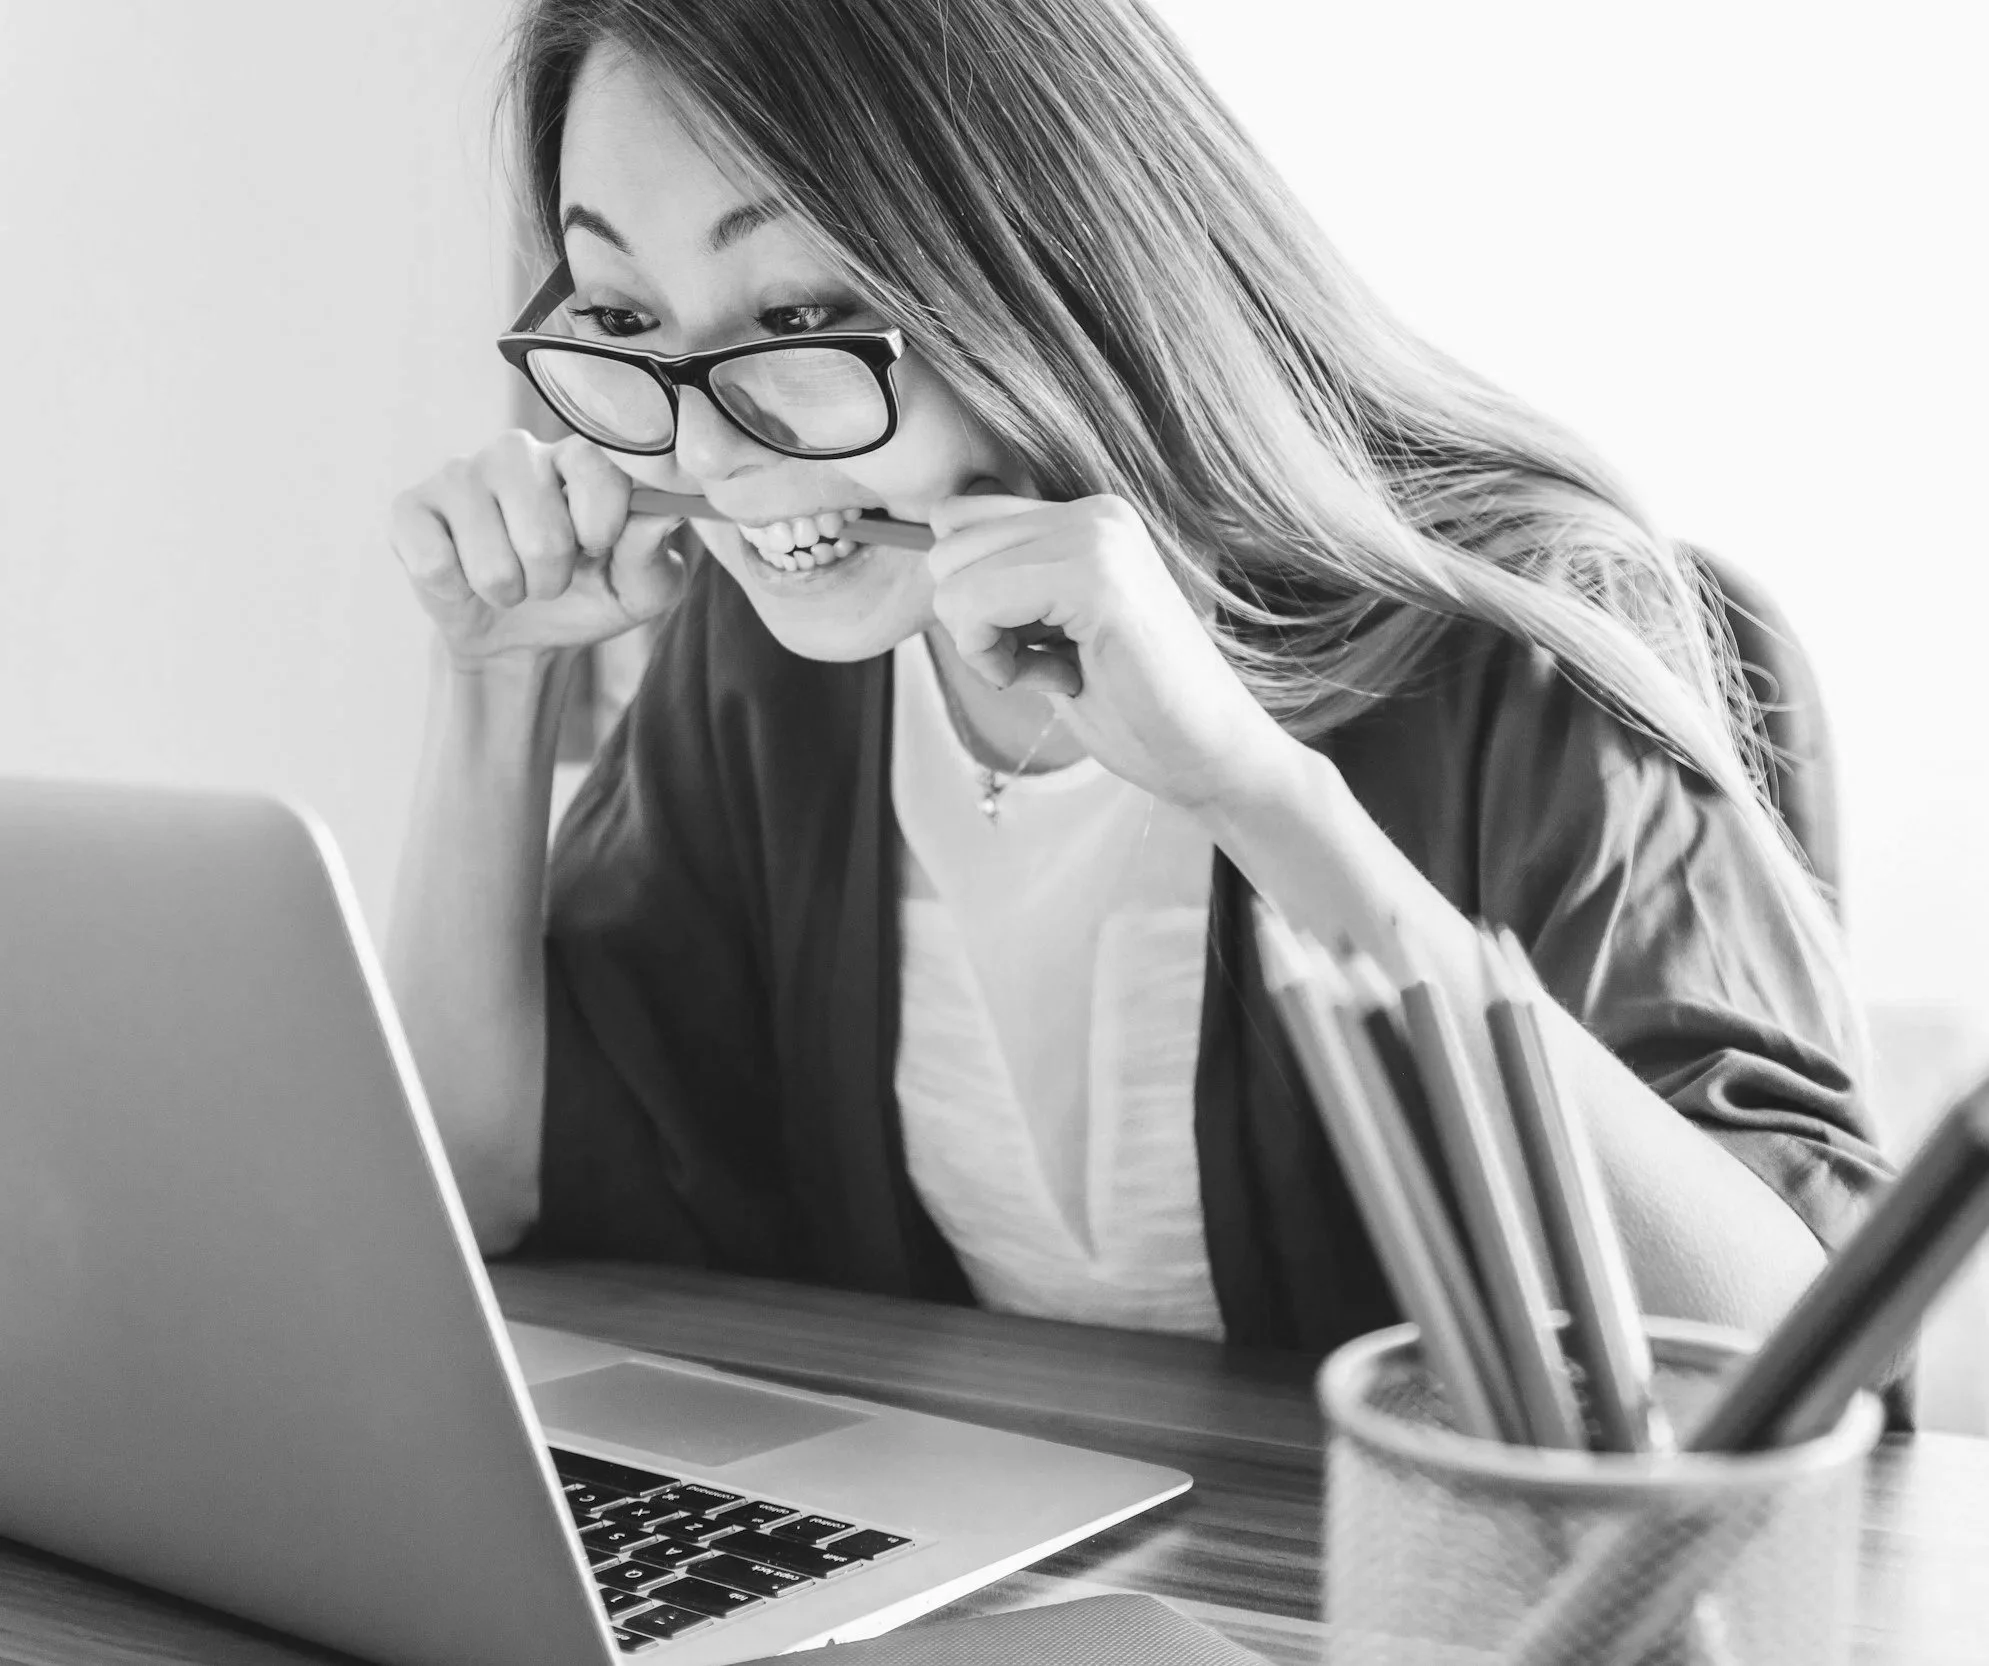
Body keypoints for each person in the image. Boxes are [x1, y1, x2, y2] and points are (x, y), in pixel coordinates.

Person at [385, 0, 1895, 1379]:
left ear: (1044, 264)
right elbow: (479, 1183)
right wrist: (492, 686)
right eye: (626, 318)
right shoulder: (775, 665)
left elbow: (1800, 1355)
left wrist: (1258, 791)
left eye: (796, 318)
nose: (708, 456)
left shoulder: (1523, 639)